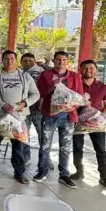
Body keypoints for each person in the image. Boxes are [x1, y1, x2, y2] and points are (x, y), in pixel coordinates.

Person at [0, 50, 39, 184]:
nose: (9, 61)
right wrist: (2, 105)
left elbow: (35, 94)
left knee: (18, 145)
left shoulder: (25, 76)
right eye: (6, 59)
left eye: (12, 59)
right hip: (0, 115)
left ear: (16, 60)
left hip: (19, 117)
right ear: (2, 60)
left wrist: (24, 103)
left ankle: (19, 172)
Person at [35, 50, 85, 187]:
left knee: (66, 147)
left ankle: (64, 174)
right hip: (49, 115)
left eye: (64, 60)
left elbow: (79, 95)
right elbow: (41, 93)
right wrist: (54, 85)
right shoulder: (46, 75)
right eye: (58, 59)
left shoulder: (75, 76)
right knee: (45, 144)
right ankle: (42, 171)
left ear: (67, 61)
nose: (61, 62)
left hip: (68, 116)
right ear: (54, 60)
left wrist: (72, 106)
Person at [72, 59, 106, 189]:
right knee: (77, 148)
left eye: (91, 68)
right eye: (85, 68)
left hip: (96, 123)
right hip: (78, 122)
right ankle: (79, 171)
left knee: (101, 150)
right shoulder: (75, 85)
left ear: (96, 70)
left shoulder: (102, 87)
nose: (88, 70)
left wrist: (100, 116)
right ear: (80, 70)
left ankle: (104, 176)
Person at [20, 52, 49, 169]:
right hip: (24, 109)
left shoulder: (41, 72)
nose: (28, 63)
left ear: (35, 61)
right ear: (21, 62)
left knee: (43, 136)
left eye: (30, 61)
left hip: (38, 110)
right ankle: (25, 158)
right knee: (24, 135)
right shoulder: (20, 73)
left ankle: (46, 160)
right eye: (25, 61)